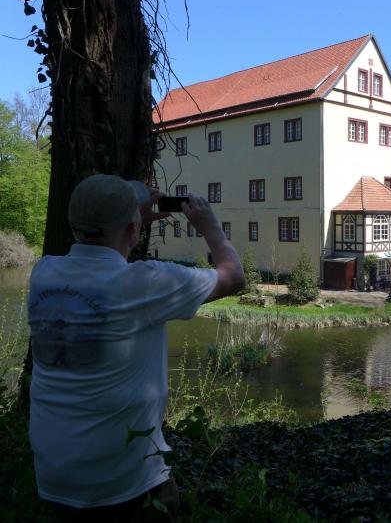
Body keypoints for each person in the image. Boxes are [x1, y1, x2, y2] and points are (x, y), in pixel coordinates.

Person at [27, 174, 245, 520]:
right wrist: (210, 227)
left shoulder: (44, 273)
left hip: (55, 475)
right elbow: (233, 276)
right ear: (133, 230)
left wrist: (129, 216)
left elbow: (96, 245)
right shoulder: (145, 282)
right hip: (120, 484)